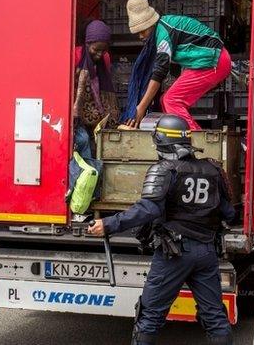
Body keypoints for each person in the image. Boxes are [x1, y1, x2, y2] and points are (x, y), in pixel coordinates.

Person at [88, 115, 235, 345]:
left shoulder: (164, 170)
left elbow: (148, 209)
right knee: (215, 318)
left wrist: (108, 224)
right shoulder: (212, 169)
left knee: (150, 317)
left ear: (161, 142)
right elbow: (228, 213)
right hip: (207, 253)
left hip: (174, 254)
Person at [126, 0, 232, 130]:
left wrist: (141, 107)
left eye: (142, 31)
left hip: (212, 60)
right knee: (166, 101)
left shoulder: (163, 33)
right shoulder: (165, 25)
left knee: (171, 100)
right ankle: (181, 143)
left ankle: (198, 142)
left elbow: (159, 72)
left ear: (150, 24)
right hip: (211, 60)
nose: (140, 36)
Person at [73, 19, 132, 159]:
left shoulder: (105, 58)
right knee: (83, 140)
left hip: (96, 114)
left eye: (103, 50)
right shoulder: (75, 56)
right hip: (77, 115)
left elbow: (103, 91)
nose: (99, 54)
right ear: (87, 43)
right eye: (96, 49)